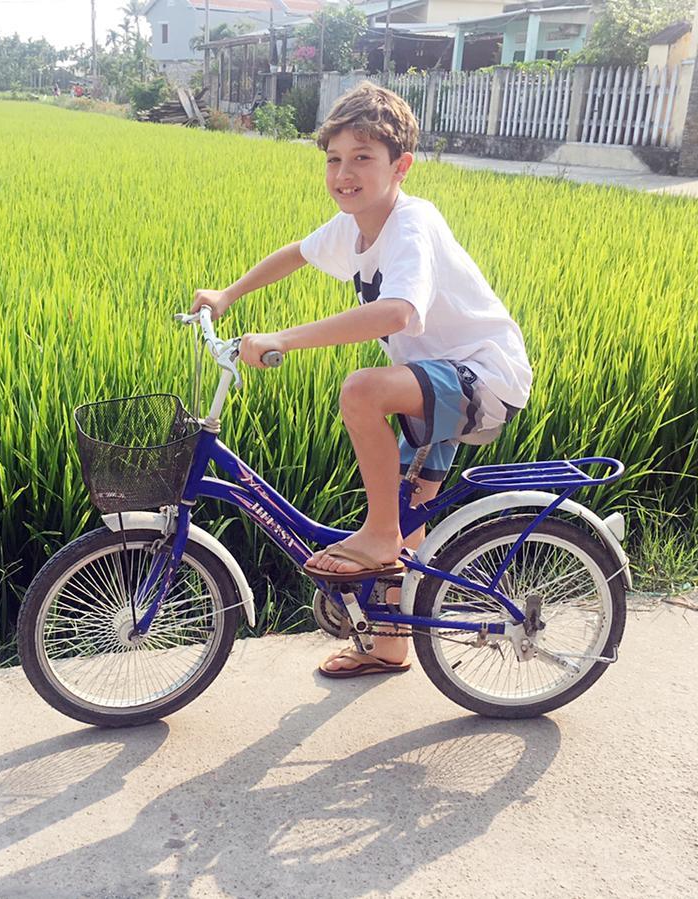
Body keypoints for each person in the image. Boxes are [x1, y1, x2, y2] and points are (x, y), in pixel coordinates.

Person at [189, 83, 532, 678]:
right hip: (431, 385)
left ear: (402, 166)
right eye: (334, 159)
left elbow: (397, 312)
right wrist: (228, 295)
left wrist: (283, 338)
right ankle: (390, 642)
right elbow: (296, 252)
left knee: (361, 390)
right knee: (409, 512)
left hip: (482, 377)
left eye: (362, 158)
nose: (343, 173)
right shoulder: (353, 226)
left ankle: (377, 536)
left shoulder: (411, 225)